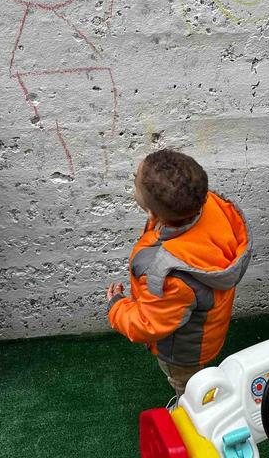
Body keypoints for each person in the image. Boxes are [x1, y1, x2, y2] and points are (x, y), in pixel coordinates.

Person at [106, 149, 251, 401]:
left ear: (153, 214)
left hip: (184, 350)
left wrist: (116, 307)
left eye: (134, 179)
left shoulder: (169, 276)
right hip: (206, 324)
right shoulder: (210, 205)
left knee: (189, 384)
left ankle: (194, 411)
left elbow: (148, 324)